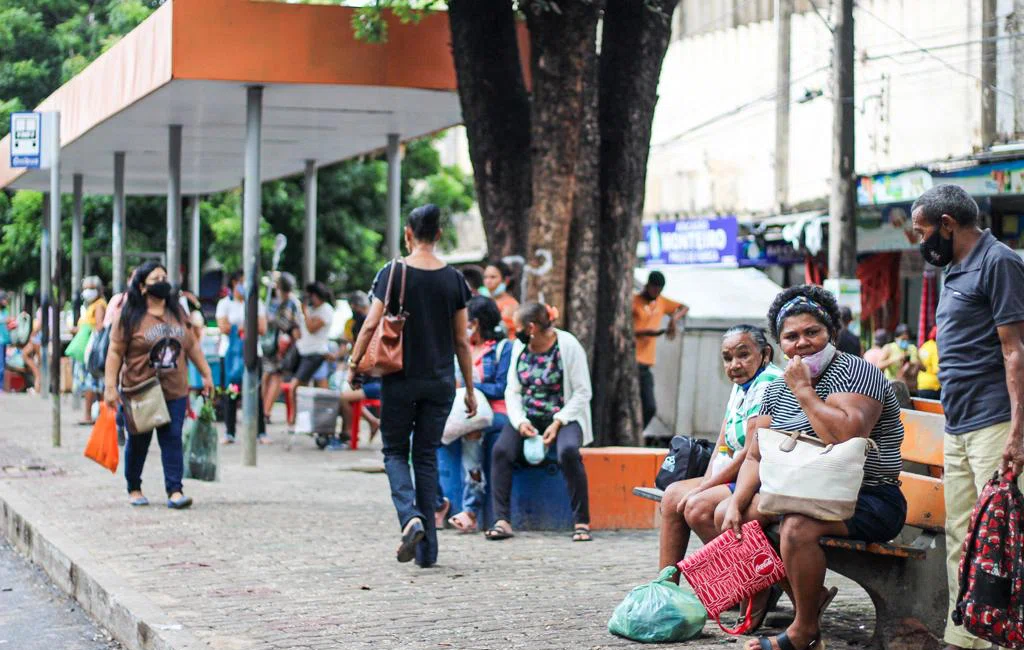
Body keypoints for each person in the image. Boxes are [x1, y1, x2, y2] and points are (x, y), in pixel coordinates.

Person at [721, 285, 906, 650]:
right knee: (734, 516)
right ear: (781, 343)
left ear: (831, 333)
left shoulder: (857, 371)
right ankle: (781, 599)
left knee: (796, 526)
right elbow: (757, 455)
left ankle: (804, 630)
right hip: (803, 490)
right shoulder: (777, 389)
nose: (802, 343)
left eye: (812, 332)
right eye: (791, 336)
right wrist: (734, 502)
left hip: (870, 498)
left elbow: (845, 437)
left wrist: (805, 392)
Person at [909, 184, 1024, 650]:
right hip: (957, 424)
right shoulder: (952, 269)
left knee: (1007, 537)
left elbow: (1015, 351)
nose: (920, 243)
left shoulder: (1000, 263)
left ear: (948, 225)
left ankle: (1008, 637)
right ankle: (965, 636)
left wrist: (1018, 432)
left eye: (922, 232)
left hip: (996, 422)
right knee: (963, 535)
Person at [348, 204, 476, 568]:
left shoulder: (394, 272)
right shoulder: (454, 279)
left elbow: (371, 324)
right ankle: (428, 552)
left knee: (393, 452)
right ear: (438, 235)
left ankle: (410, 517)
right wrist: (468, 387)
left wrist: (354, 363)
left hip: (400, 379)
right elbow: (462, 341)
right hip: (439, 383)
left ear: (408, 233)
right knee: (425, 456)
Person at [659, 326, 781, 587]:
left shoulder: (768, 382)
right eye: (727, 358)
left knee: (697, 507)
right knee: (672, 496)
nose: (735, 364)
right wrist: (704, 482)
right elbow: (722, 444)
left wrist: (703, 489)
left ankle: (752, 581)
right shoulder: (741, 386)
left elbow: (750, 453)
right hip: (735, 472)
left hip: (759, 477)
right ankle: (665, 588)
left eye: (743, 355)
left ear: (765, 354)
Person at [103, 262, 214, 509]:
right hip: (140, 389)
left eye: (165, 276)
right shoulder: (130, 315)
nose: (163, 281)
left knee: (172, 437)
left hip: (174, 389)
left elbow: (192, 346)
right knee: (139, 439)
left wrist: (206, 374)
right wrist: (110, 387)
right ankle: (134, 487)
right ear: (142, 286)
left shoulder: (177, 313)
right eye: (156, 278)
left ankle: (175, 490)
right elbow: (115, 352)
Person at [486, 302, 593, 542]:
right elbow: (512, 390)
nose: (515, 333)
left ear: (532, 327)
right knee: (501, 451)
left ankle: (581, 521)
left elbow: (583, 392)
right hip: (528, 416)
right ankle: (502, 519)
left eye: (518, 327)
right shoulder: (519, 348)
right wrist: (520, 421)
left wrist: (558, 421)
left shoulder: (567, 345)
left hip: (565, 416)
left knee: (568, 452)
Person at [447, 296, 513, 533]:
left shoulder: (503, 349)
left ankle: (471, 509)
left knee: (472, 432)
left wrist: (469, 388)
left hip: (495, 412)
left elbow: (501, 388)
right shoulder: (461, 347)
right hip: (465, 411)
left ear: (476, 322)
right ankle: (437, 504)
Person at [215, 272, 268, 443]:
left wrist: (239, 327)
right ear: (234, 283)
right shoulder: (224, 304)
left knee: (255, 393)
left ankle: (261, 432)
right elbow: (223, 327)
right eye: (242, 283)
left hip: (254, 353)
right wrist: (245, 327)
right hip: (229, 355)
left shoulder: (256, 303)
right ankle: (230, 432)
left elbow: (262, 328)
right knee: (231, 393)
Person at [633, 270, 689, 429]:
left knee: (650, 407)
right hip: (631, 361)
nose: (656, 293)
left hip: (646, 364)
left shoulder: (661, 302)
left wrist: (673, 320)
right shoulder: (633, 300)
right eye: (654, 290)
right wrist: (646, 333)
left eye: (659, 291)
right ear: (647, 286)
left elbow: (684, 307)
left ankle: (637, 433)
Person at [262, 272, 302, 424]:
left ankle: (265, 410)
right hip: (276, 345)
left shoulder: (282, 302)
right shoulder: (286, 302)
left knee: (272, 376)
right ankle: (265, 411)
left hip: (277, 344)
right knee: (272, 377)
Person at [289, 282, 335, 400]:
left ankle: (293, 418)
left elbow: (311, 328)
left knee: (295, 387)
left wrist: (304, 312)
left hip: (315, 353)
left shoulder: (326, 310)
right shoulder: (309, 309)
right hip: (302, 351)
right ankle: (298, 416)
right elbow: (300, 327)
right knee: (302, 388)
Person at [72, 276, 107, 425]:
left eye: (91, 288)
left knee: (92, 384)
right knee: (94, 385)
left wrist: (84, 329)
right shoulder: (89, 305)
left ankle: (89, 415)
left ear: (99, 290)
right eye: (85, 288)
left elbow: (99, 327)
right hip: (86, 350)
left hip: (92, 351)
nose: (88, 291)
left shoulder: (99, 305)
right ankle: (101, 415)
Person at [483, 261, 519, 338]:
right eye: (485, 277)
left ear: (506, 280)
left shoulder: (510, 305)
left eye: (493, 277)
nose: (488, 281)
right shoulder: (484, 301)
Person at [917, 326, 940, 400]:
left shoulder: (925, 345)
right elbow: (937, 369)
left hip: (921, 384)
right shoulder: (935, 347)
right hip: (933, 387)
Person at [0, 291, 10, 391]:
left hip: (4, 341)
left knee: (3, 364)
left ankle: (2, 386)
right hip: (0, 341)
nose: (6, 301)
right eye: (4, 299)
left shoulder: (5, 312)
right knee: (1, 365)